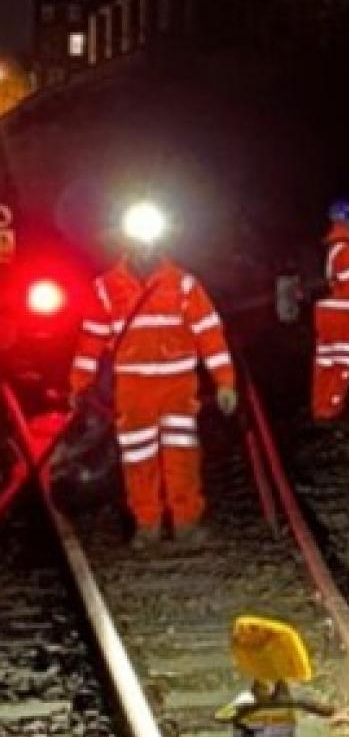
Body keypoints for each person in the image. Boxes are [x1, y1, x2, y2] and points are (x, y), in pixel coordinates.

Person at [70, 202, 239, 545]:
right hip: (134, 390)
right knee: (138, 457)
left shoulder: (184, 285)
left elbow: (209, 334)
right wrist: (79, 385)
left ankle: (185, 523)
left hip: (177, 386)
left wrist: (225, 381)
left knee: (182, 454)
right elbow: (90, 341)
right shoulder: (106, 288)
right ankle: (147, 524)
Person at [312, 199, 349, 421]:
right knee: (344, 360)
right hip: (343, 315)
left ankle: (320, 407)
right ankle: (331, 408)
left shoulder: (332, 247)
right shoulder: (346, 249)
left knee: (326, 361)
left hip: (327, 312)